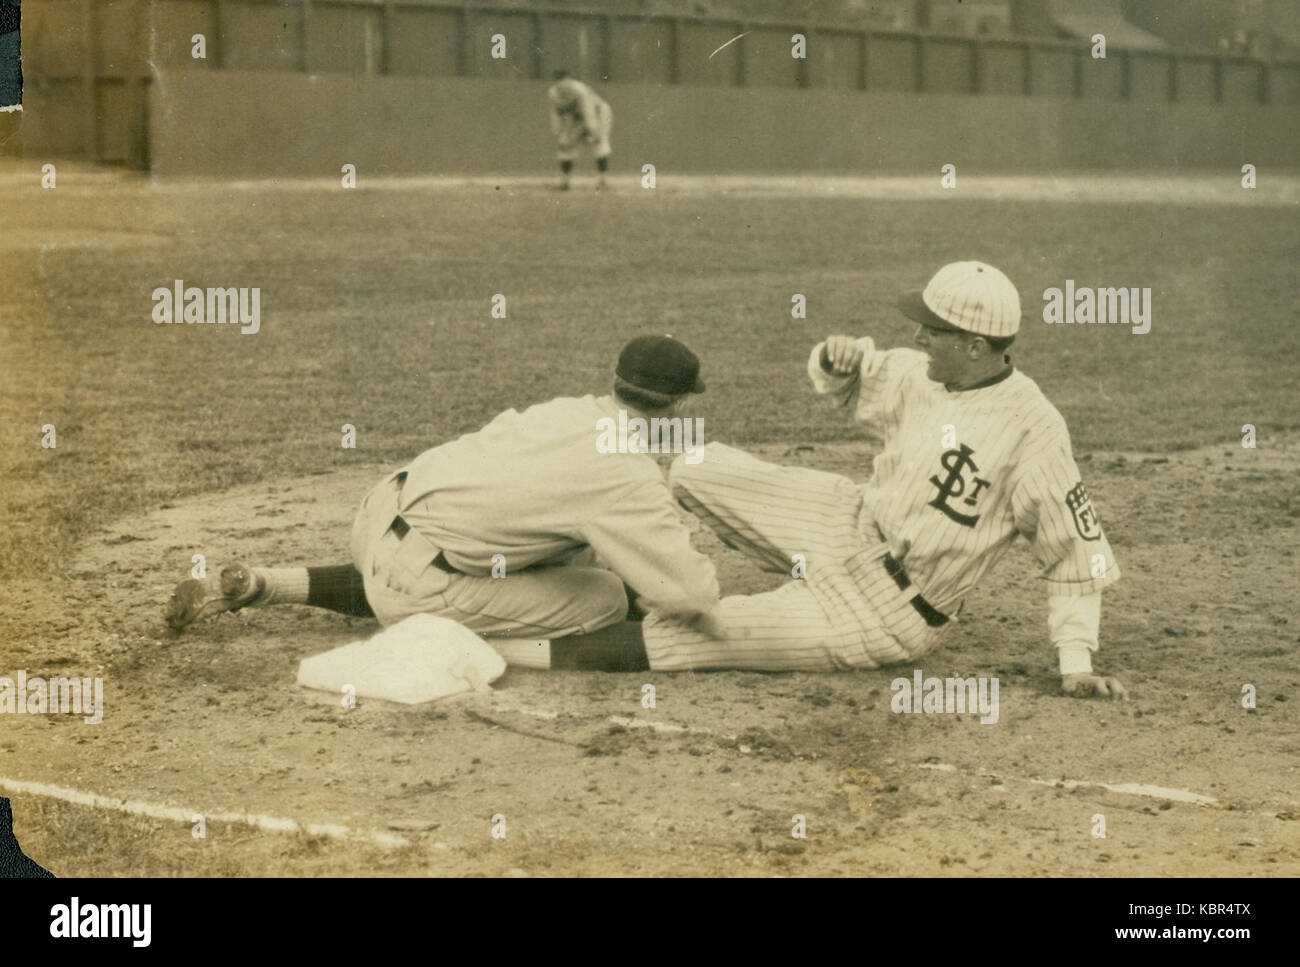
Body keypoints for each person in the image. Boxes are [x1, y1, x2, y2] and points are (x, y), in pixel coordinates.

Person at [640, 261, 1128, 699]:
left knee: (685, 635)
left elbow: (1076, 552)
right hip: (845, 522)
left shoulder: (1035, 431)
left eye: (932, 331)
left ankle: (569, 642)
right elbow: (849, 379)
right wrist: (834, 359)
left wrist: (1077, 662)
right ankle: (640, 581)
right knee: (694, 467)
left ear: (975, 347)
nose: (918, 339)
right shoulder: (922, 374)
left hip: (887, 611)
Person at [165, 335, 722, 671]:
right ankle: (475, 644)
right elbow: (693, 594)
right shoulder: (628, 474)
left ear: (616, 381)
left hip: (377, 515)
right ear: (674, 404)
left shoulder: (567, 409)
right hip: (422, 581)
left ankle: (266, 582)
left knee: (550, 551)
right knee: (602, 594)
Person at [547, 69, 612, 190]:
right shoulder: (553, 93)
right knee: (564, 144)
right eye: (560, 81)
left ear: (570, 80)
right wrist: (558, 132)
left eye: (566, 81)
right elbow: (555, 114)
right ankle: (565, 182)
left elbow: (589, 113)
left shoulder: (579, 90)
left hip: (599, 113)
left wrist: (593, 131)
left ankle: (603, 180)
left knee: (598, 142)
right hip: (576, 117)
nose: (563, 84)